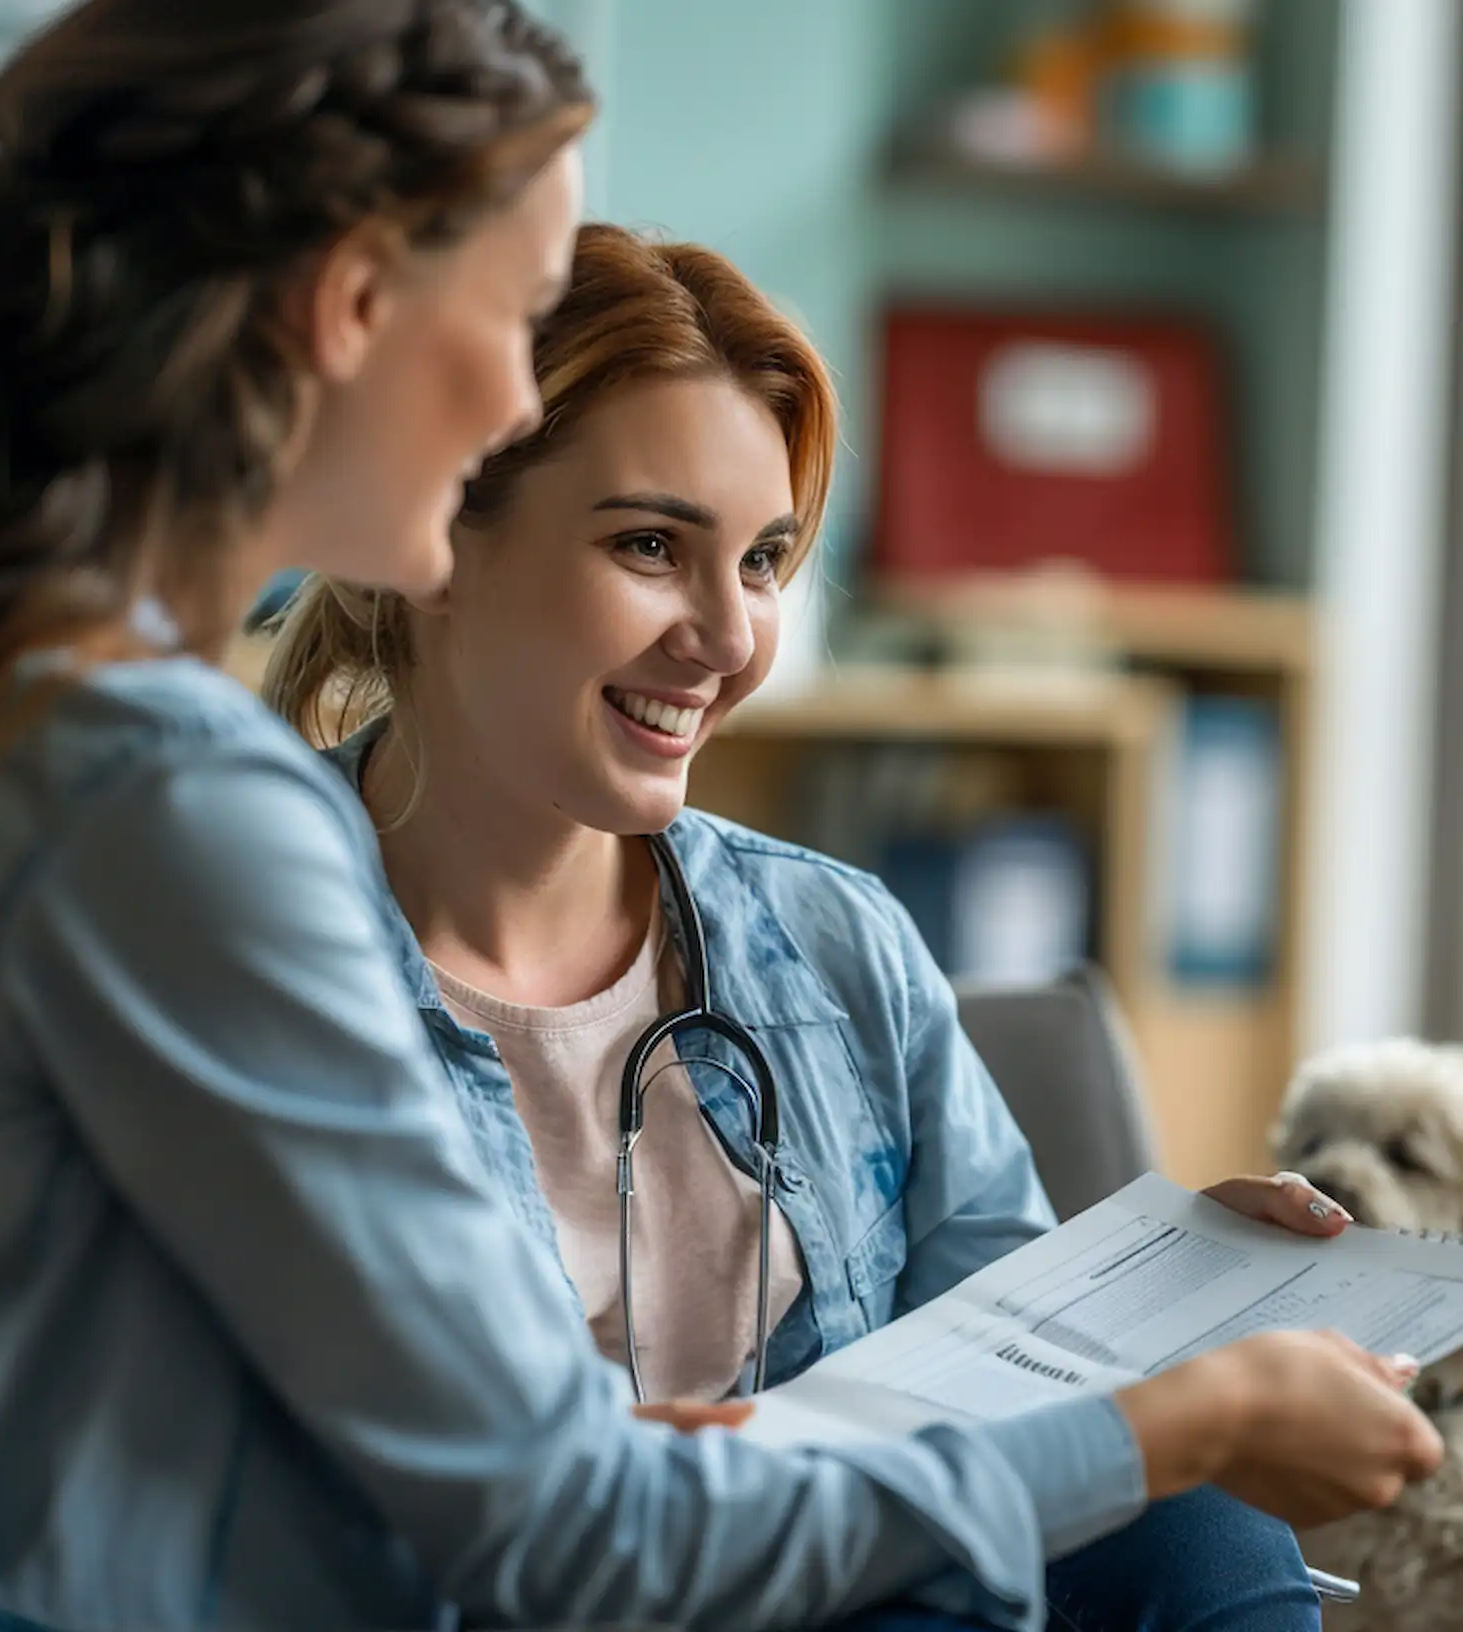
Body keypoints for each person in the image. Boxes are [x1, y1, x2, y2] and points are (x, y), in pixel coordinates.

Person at [0, 3, 1443, 1629]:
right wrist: (1181, 1415)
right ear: (352, 306)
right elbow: (558, 1543)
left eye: (764, 560)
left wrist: (1123, 1358)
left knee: (1153, 1543)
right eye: (509, 324)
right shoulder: (155, 796)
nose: (511, 396)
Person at [259, 221, 1367, 1631]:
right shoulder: (230, 959)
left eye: (767, 560)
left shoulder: (833, 944)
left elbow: (1008, 1385)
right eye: (651, 546)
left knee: (1194, 1517)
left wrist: (1155, 1315)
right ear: (429, 543)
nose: (727, 639)